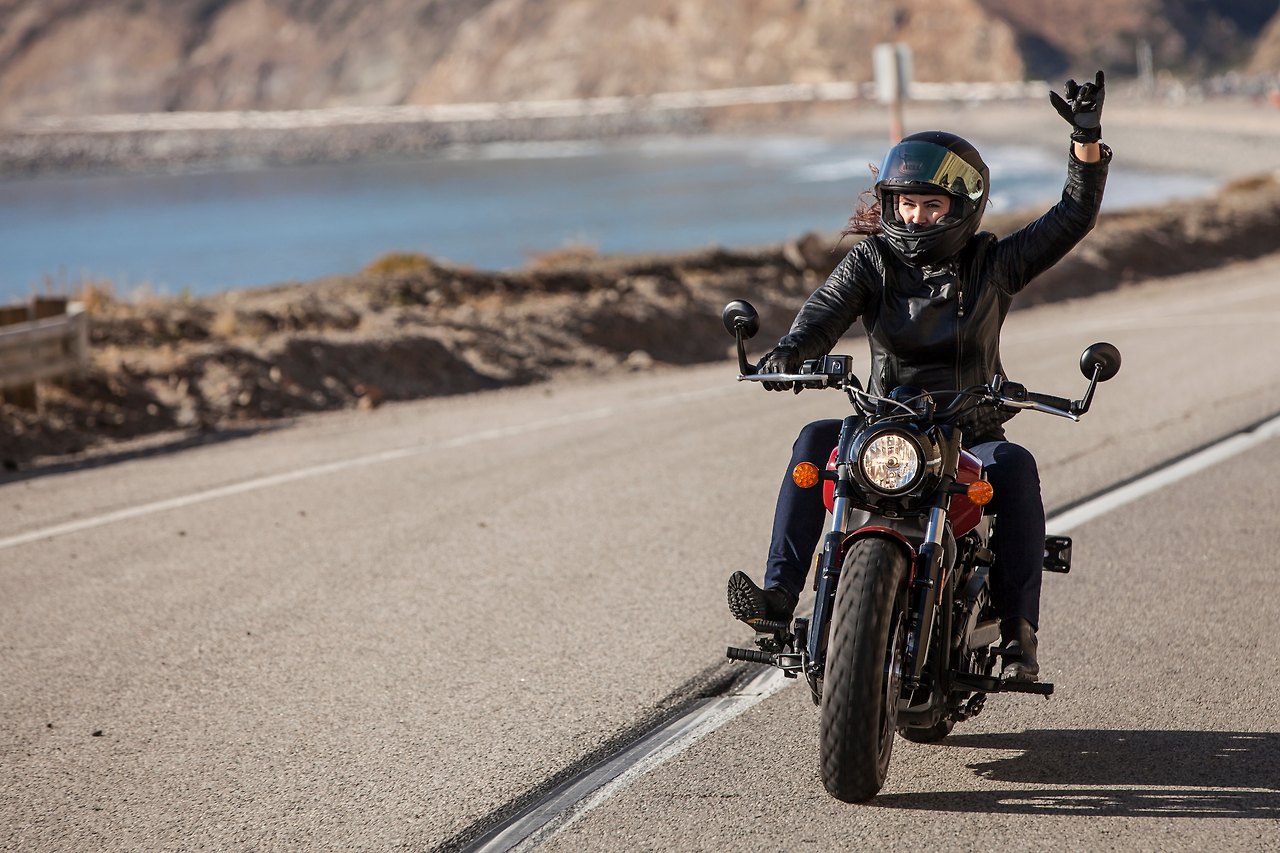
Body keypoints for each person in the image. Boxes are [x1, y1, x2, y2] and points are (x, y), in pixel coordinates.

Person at [726, 72, 1111, 683]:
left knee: (1015, 468)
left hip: (970, 428)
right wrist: (790, 352)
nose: (916, 215)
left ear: (962, 207)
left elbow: (1072, 216)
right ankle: (778, 600)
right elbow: (823, 312)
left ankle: (1018, 630)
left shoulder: (993, 264)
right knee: (814, 441)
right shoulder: (871, 260)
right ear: (890, 204)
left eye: (932, 205)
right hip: (885, 426)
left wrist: (1084, 143)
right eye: (907, 203)